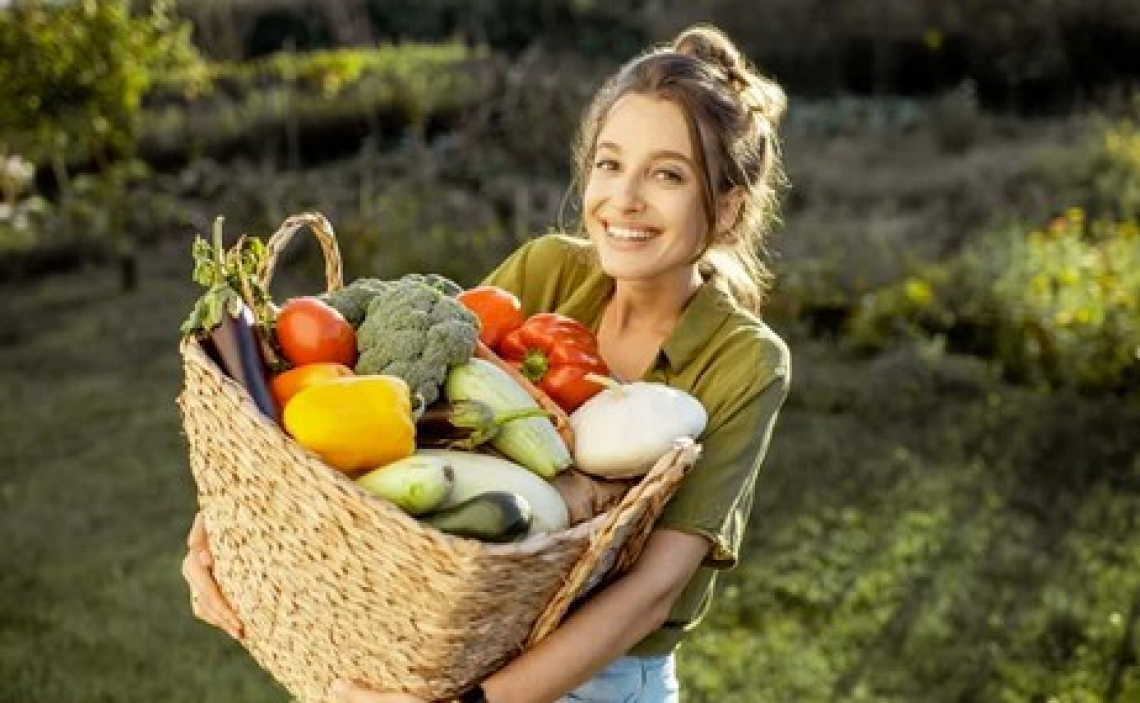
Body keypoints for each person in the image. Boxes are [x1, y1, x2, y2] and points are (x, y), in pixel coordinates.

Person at [183, 23, 791, 703]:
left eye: (668, 175)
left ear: (729, 207)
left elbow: (651, 594)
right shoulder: (549, 269)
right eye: (610, 164)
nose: (624, 198)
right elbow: (386, 421)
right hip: (460, 641)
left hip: (601, 678)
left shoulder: (746, 360)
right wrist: (233, 526)